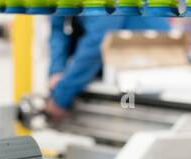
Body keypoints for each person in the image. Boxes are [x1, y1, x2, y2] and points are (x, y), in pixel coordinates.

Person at [45, 13, 174, 120]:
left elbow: (99, 40)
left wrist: (61, 96)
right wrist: (56, 71)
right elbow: (58, 29)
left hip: (145, 72)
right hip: (117, 70)